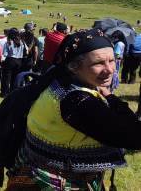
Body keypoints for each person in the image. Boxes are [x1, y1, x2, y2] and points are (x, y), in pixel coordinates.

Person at [8, 29, 141, 190]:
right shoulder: (77, 101)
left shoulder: (56, 81)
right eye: (98, 63)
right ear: (74, 66)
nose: (110, 70)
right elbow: (134, 136)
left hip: (33, 173)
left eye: (112, 60)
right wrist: (112, 99)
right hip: (59, 183)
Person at [1, 29, 28, 96]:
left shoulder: (8, 42)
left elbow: (5, 54)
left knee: (6, 78)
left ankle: (5, 93)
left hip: (10, 60)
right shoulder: (22, 42)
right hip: (19, 61)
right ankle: (13, 92)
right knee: (15, 78)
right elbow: (27, 51)